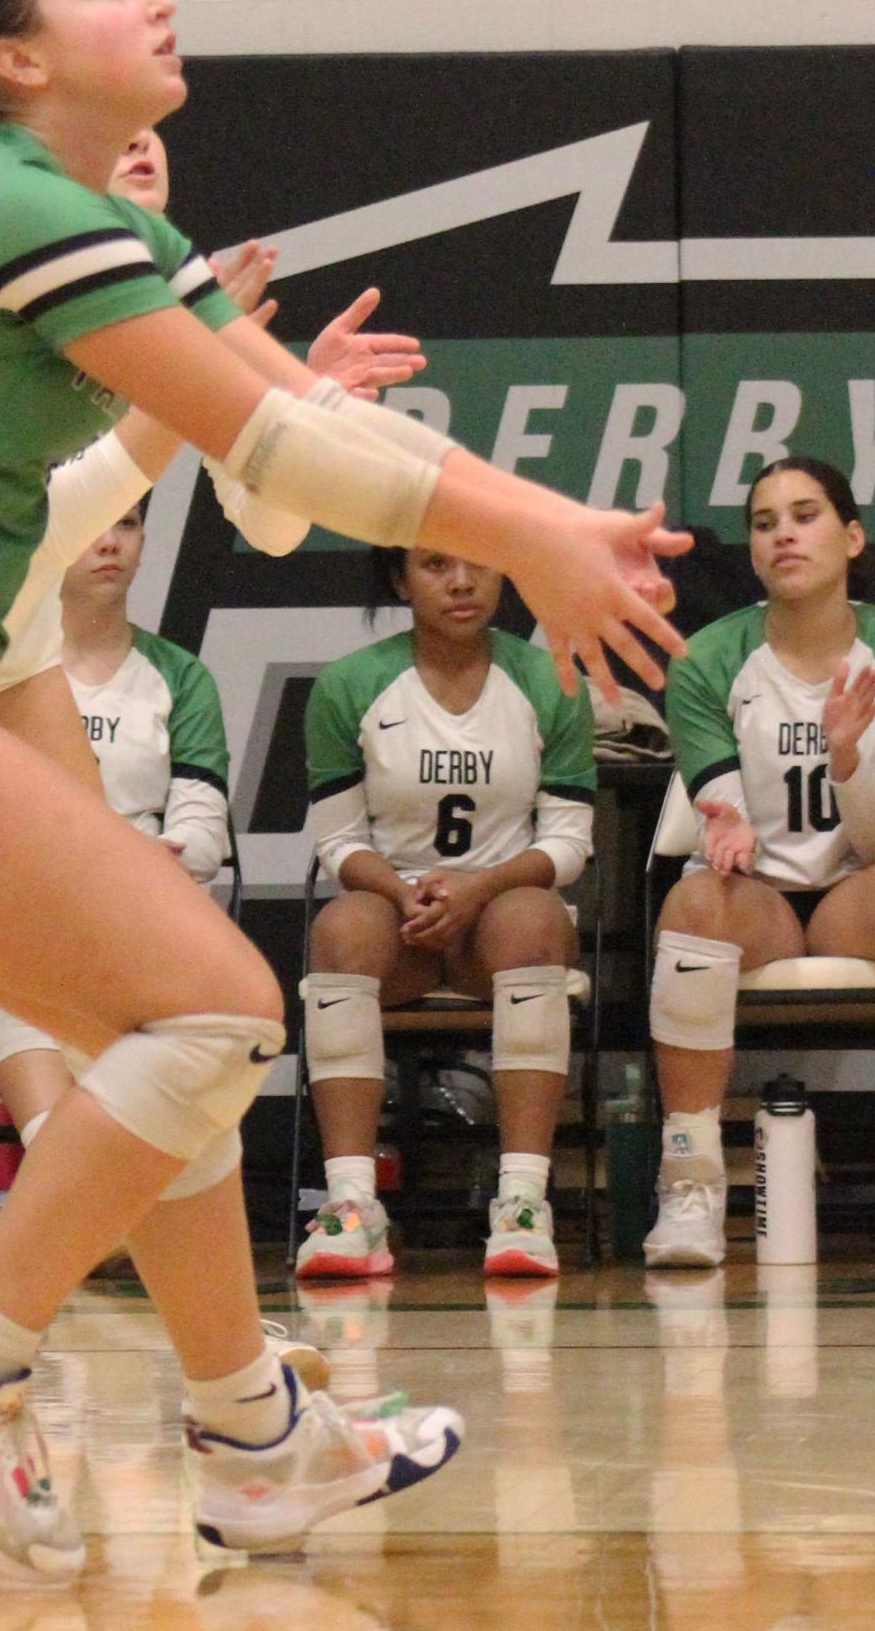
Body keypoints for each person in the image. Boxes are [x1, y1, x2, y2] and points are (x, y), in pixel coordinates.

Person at [0, 0, 687, 1582]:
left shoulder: (82, 217)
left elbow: (294, 441)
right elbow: (280, 441)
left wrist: (542, 523)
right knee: (218, 1006)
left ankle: (251, 1436)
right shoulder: (10, 199)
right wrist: (533, 535)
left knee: (171, 1062)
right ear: (15, 62)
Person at [0, 130, 415, 1429]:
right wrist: (212, 396)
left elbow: (266, 519)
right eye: (124, 134)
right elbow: (50, 515)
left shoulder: (158, 302)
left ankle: (206, 1349)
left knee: (135, 1006)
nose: (151, 146)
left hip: (9, 635)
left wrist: (308, 407)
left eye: (167, 140)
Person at [645, 456, 875, 1270]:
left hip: (860, 892)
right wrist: (726, 829)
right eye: (763, 520)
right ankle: (689, 1185)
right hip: (763, 899)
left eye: (805, 513)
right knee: (692, 907)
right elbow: (717, 803)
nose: (783, 531)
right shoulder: (706, 658)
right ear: (751, 552)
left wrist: (848, 761)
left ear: (850, 536)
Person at [299, 548, 594, 1282]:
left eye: (478, 564)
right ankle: (351, 1207)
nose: (461, 582)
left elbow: (569, 841)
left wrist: (479, 886)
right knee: (337, 930)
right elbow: (338, 841)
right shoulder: (351, 684)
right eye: (434, 565)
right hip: (396, 917)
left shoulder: (546, 677)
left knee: (534, 923)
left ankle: (522, 1204)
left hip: (495, 915)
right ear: (399, 580)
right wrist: (402, 894)